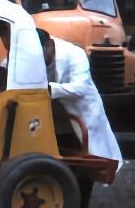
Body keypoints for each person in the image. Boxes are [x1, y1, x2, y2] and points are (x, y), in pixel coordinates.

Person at [38, 28, 122, 168]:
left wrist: (49, 89)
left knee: (95, 156)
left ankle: (103, 173)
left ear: (49, 45)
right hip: (58, 115)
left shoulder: (75, 54)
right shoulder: (36, 56)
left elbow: (80, 88)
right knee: (67, 154)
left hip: (83, 110)